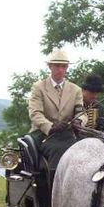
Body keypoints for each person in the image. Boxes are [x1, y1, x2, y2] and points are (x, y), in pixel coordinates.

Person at [28, 49, 87, 183]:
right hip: (43, 134)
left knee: (84, 149)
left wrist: (79, 121)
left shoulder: (76, 90)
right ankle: (55, 189)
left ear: (67, 68)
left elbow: (80, 112)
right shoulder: (39, 87)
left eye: (64, 66)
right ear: (50, 66)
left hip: (67, 133)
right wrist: (51, 127)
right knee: (59, 149)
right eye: (57, 66)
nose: (60, 69)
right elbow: (35, 113)